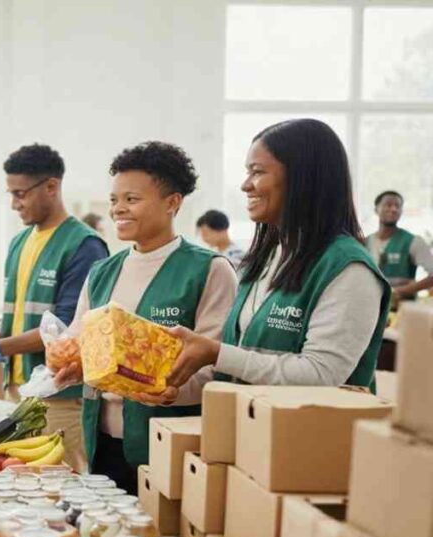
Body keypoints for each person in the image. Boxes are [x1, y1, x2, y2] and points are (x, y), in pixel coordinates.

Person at [53, 143, 237, 492]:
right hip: (103, 440)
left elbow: (218, 366)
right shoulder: (102, 272)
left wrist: (167, 389)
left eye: (131, 199)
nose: (118, 209)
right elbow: (80, 341)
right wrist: (68, 361)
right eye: (113, 200)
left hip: (171, 442)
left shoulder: (208, 270)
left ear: (173, 202)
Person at [166, 118, 389, 395]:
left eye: (257, 172)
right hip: (250, 426)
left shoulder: (348, 268)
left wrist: (217, 353)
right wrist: (173, 389)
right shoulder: (265, 258)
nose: (245, 185)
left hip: (309, 434)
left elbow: (323, 374)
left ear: (302, 178)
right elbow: (239, 365)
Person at [0, 144, 110, 471]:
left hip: (61, 399)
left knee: (61, 493)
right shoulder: (20, 243)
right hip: (19, 394)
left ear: (51, 187)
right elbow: (13, 315)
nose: (14, 204)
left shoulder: (84, 246)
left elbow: (65, 330)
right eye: (10, 193)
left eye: (20, 193)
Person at [366, 191, 433, 302]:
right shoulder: (365, 242)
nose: (393, 209)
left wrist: (401, 291)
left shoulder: (413, 241)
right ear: (376, 209)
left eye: (398, 206)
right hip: (371, 307)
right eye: (388, 204)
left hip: (402, 309)